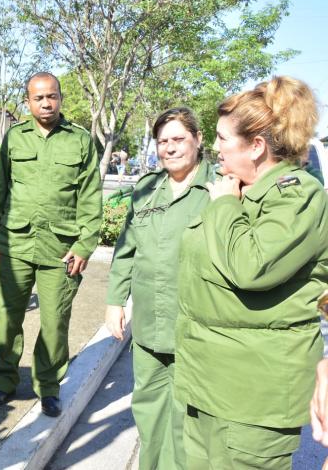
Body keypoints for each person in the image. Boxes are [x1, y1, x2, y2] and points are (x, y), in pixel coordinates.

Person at [174, 76, 328, 469]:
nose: (215, 146)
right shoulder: (239, 189)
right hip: (208, 384)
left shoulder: (297, 196)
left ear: (256, 146)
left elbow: (250, 266)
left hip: (252, 399)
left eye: (223, 138)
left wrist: (224, 207)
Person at [0, 72, 102, 418]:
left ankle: (48, 386)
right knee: (6, 318)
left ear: (60, 98)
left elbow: (91, 197)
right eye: (38, 98)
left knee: (55, 322)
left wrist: (84, 245)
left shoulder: (80, 140)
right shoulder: (15, 138)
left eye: (52, 96)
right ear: (28, 102)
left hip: (60, 248)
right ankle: (4, 382)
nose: (46, 103)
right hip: (15, 243)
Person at [105, 107, 214, 470]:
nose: (169, 148)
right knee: (149, 414)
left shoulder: (221, 189)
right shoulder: (147, 189)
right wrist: (114, 301)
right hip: (150, 326)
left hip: (196, 329)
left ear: (198, 139)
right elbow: (126, 249)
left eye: (178, 139)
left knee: (188, 423)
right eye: (163, 141)